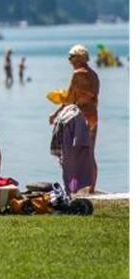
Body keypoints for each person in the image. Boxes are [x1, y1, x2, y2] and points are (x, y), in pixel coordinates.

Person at [49, 44, 100, 189]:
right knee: (90, 153)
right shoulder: (93, 74)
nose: (69, 60)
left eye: (71, 57)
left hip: (80, 117)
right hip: (93, 115)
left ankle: (72, 186)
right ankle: (91, 188)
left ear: (79, 58)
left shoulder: (77, 74)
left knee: (71, 154)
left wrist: (56, 111)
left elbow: (70, 98)